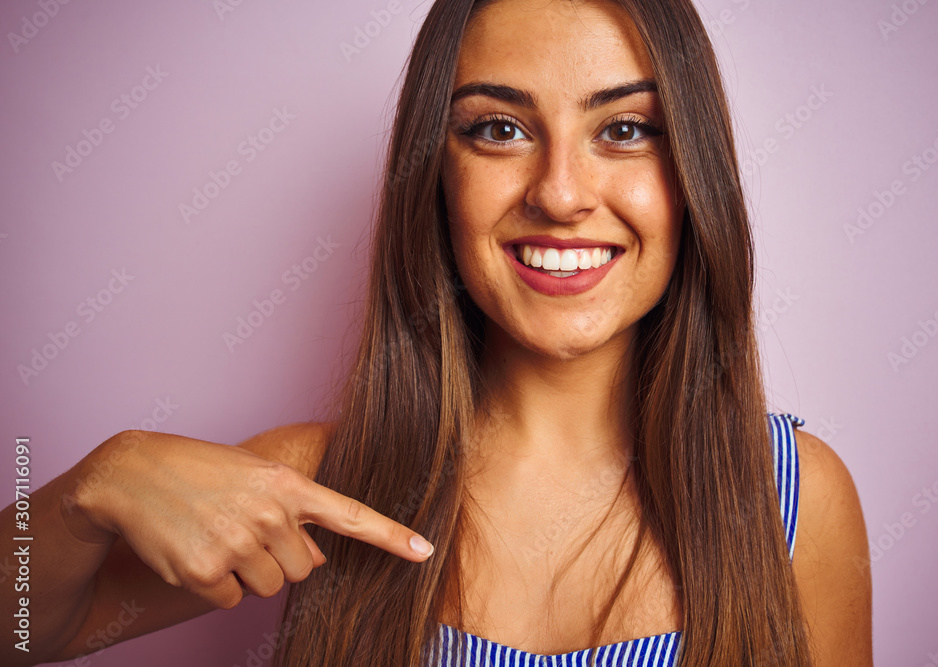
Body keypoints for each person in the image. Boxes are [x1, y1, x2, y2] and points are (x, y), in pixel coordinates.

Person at [1, 0, 872, 665]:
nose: (561, 193)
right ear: (437, 175)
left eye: (625, 129)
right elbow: (29, 621)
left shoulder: (796, 500)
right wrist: (88, 488)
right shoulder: (320, 485)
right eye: (500, 129)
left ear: (694, 179)